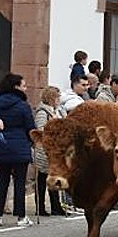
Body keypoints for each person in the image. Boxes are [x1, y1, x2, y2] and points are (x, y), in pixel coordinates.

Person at [0, 73, 34, 227]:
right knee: (20, 183)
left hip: (2, 145)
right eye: (23, 85)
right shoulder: (23, 106)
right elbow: (30, 128)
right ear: (16, 87)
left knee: (2, 182)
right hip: (20, 147)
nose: (25, 88)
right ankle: (21, 216)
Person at [33, 86, 67, 215]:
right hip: (44, 151)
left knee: (54, 178)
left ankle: (56, 205)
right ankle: (40, 207)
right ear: (51, 98)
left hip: (56, 150)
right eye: (57, 97)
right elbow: (41, 129)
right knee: (42, 179)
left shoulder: (58, 110)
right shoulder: (43, 112)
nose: (59, 99)